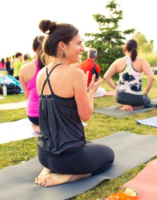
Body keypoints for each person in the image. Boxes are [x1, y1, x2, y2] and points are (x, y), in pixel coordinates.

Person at [34, 19, 114, 187]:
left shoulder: (41, 73)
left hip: (44, 153)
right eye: (78, 43)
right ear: (62, 46)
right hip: (68, 159)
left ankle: (48, 168)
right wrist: (90, 92)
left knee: (90, 145)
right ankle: (70, 176)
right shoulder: (75, 74)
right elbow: (86, 116)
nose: (82, 49)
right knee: (108, 155)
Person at [104, 39, 155, 111]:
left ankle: (125, 105)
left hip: (120, 97)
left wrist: (115, 88)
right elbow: (152, 77)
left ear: (125, 48)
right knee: (147, 101)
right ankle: (135, 106)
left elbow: (106, 76)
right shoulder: (141, 61)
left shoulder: (118, 61)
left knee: (127, 99)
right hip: (136, 98)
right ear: (136, 49)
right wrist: (146, 91)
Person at [19, 36, 45, 133]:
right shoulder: (54, 68)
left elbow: (27, 95)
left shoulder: (24, 69)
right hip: (52, 114)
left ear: (33, 49)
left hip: (33, 115)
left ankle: (37, 127)